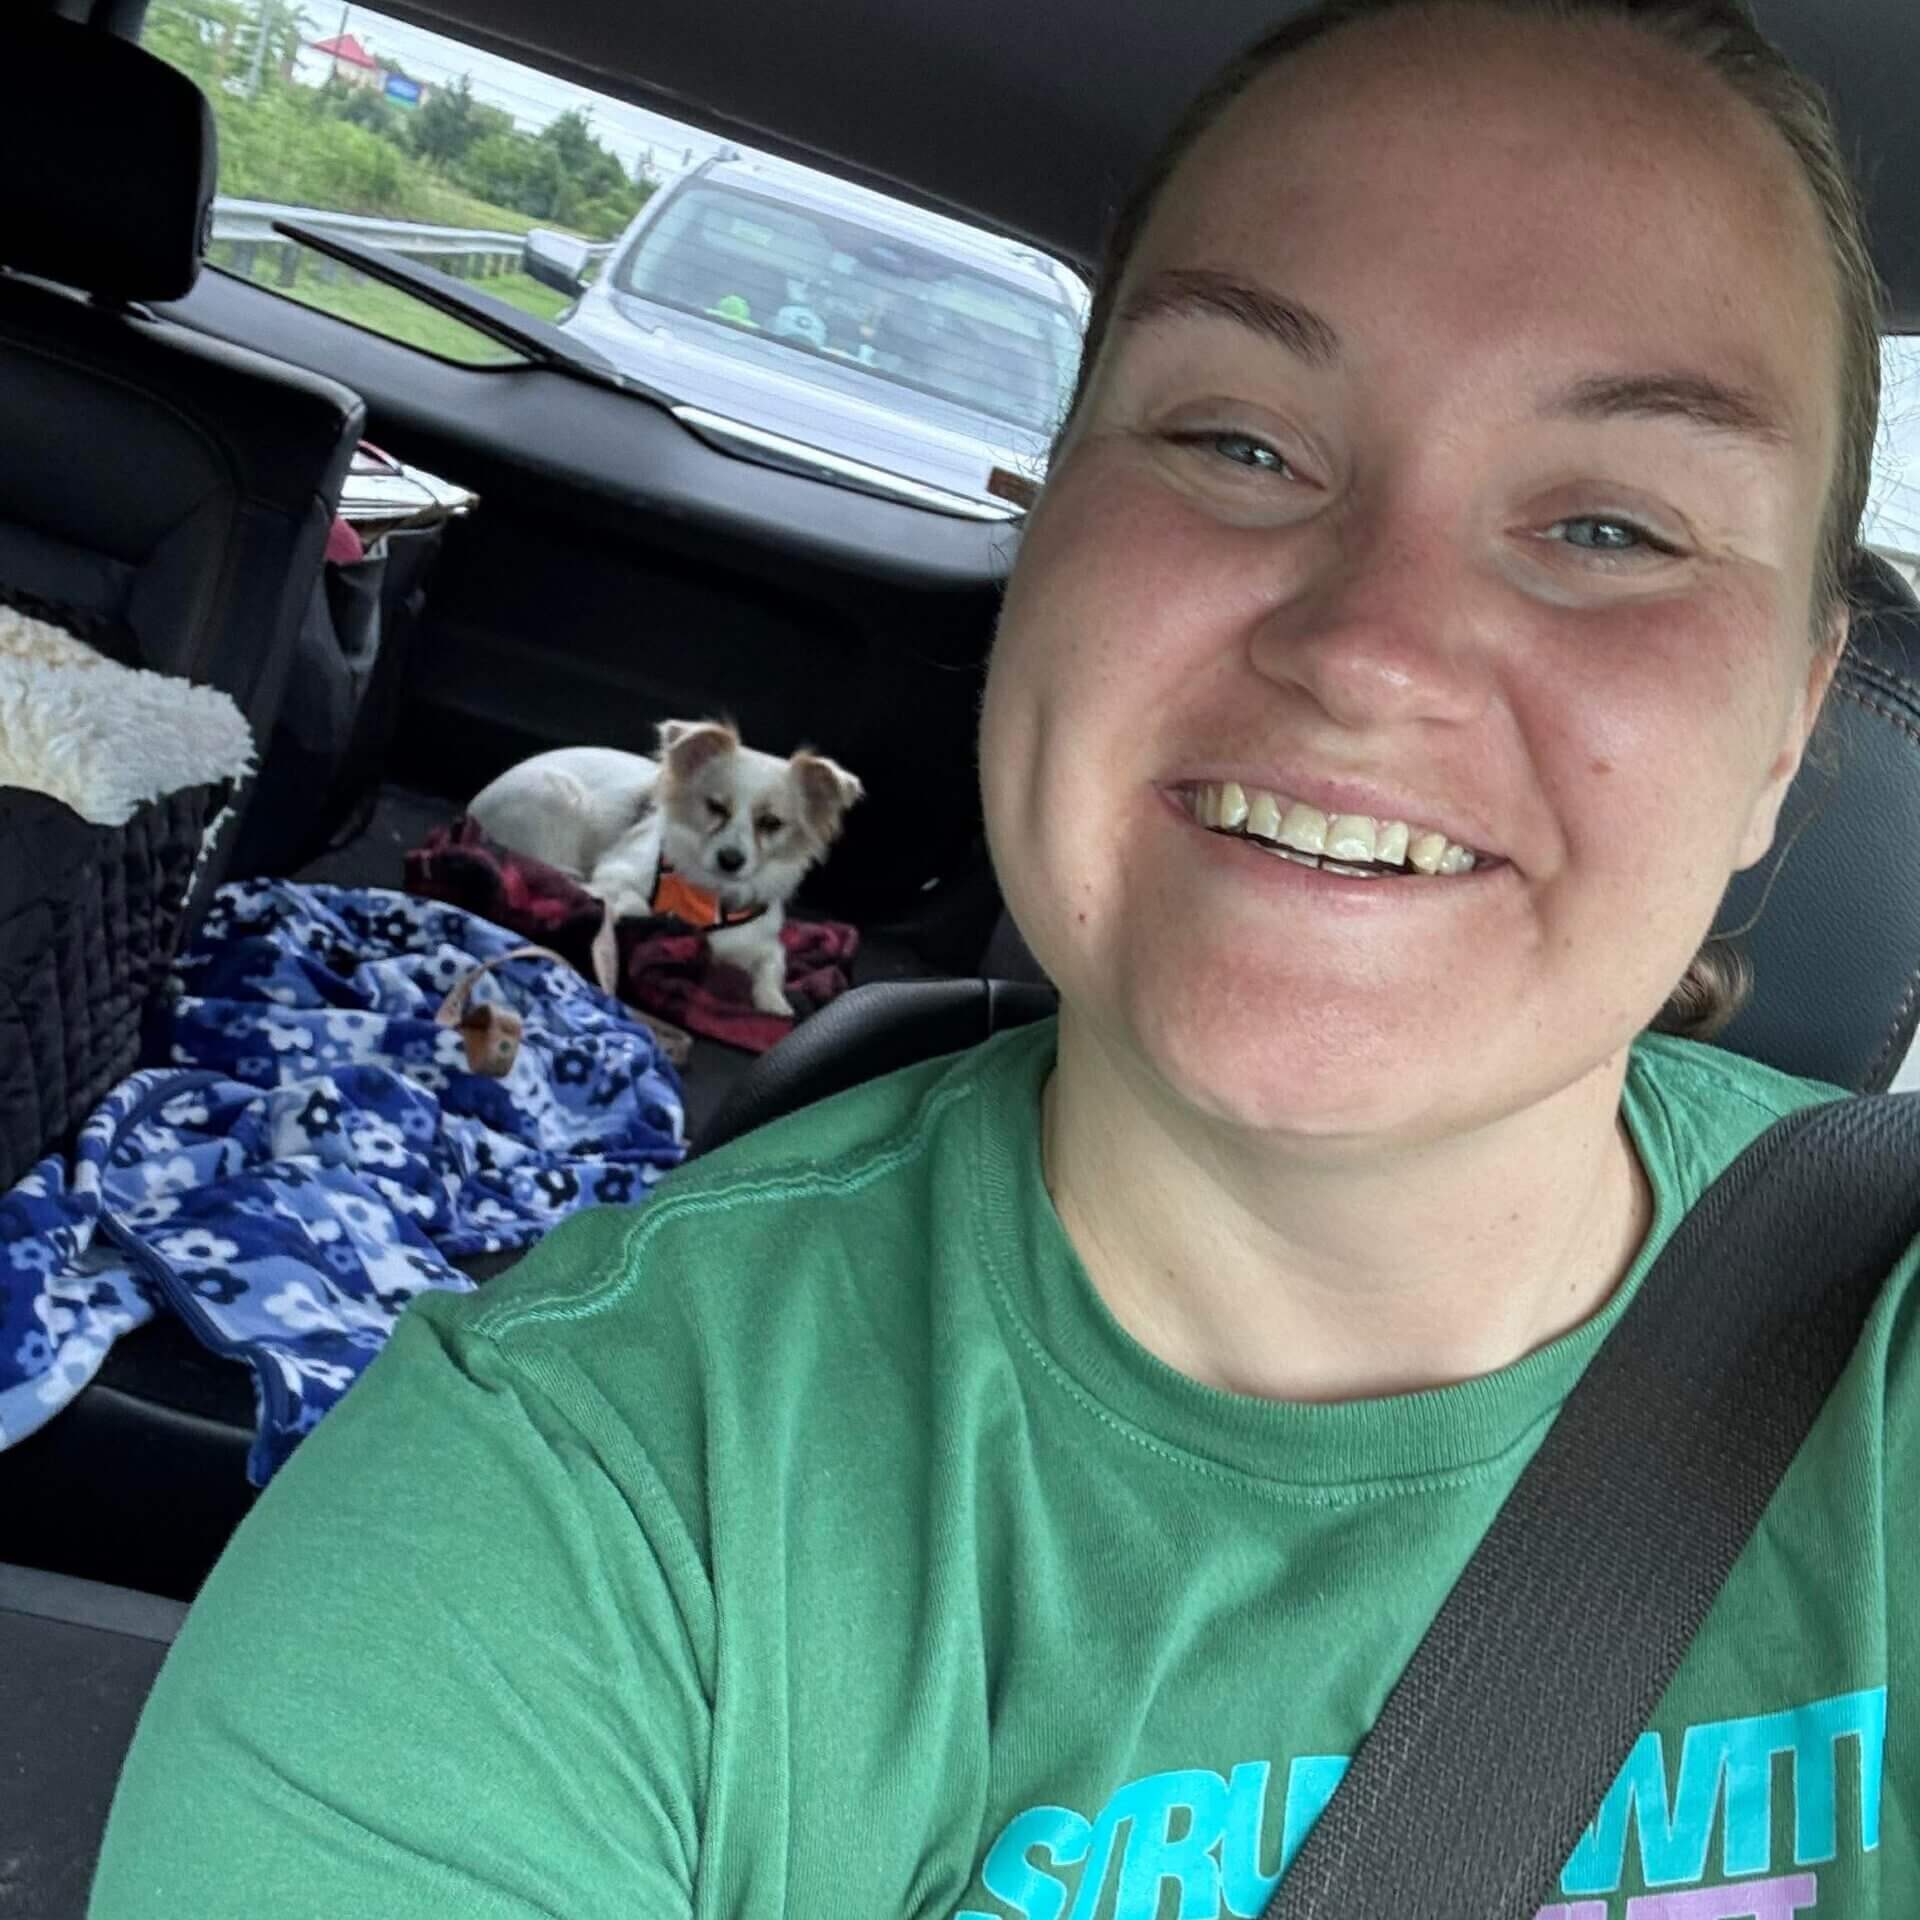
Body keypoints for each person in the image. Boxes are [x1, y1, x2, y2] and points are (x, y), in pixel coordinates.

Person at [92, 2, 1910, 1915]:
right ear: (1043, 536)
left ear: (1789, 729)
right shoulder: (548, 1525)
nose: (1373, 652)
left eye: (1612, 527)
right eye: (1238, 439)